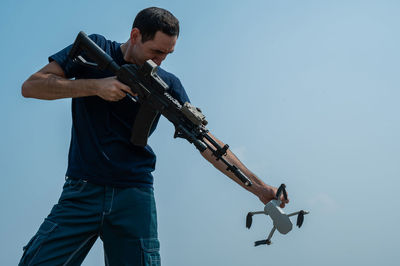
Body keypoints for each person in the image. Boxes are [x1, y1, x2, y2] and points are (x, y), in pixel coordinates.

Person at [19, 6, 289, 266]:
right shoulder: (97, 50)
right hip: (82, 189)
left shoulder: (169, 84)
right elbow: (32, 86)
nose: (160, 60)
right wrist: (95, 86)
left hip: (135, 196)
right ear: (135, 36)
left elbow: (208, 143)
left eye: (167, 54)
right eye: (156, 51)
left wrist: (259, 188)